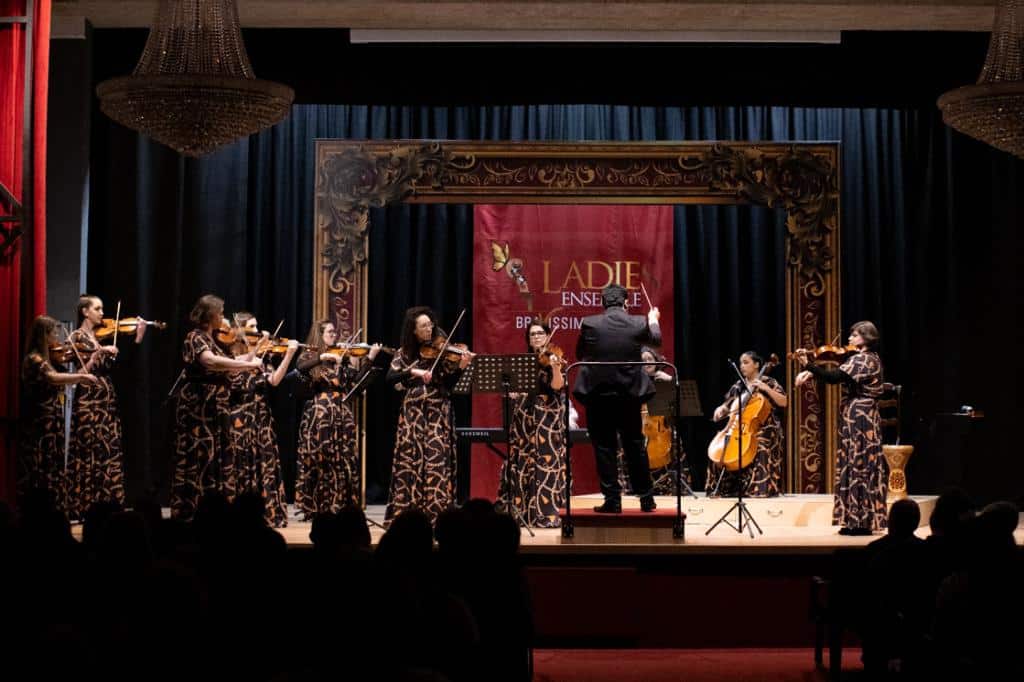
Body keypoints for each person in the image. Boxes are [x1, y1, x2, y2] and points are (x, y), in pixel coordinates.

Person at [171, 295, 262, 521]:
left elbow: (230, 363)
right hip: (200, 405)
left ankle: (218, 510)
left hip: (216, 406)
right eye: (220, 313)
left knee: (217, 455)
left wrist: (254, 353)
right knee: (201, 455)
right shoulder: (195, 337)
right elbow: (210, 361)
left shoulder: (213, 340)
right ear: (210, 314)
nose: (223, 317)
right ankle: (194, 509)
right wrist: (248, 364)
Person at [573, 283, 661, 513]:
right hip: (629, 395)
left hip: (598, 395)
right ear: (626, 303)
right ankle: (646, 499)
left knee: (604, 447)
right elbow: (657, 340)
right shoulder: (638, 322)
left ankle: (612, 500)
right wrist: (653, 318)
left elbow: (580, 354)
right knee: (635, 446)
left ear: (603, 303)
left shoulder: (590, 323)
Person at [796, 320, 887, 535]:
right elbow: (838, 371)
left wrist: (808, 364)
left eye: (854, 335)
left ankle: (861, 522)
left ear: (865, 338)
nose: (849, 338)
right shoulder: (862, 359)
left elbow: (834, 377)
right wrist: (811, 370)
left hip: (861, 418)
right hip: (856, 416)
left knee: (860, 464)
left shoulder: (864, 359)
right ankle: (853, 520)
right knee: (853, 463)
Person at [385, 306, 473, 524]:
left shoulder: (442, 352)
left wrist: (461, 366)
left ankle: (437, 515)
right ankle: (407, 515)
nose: (429, 328)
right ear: (413, 330)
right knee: (411, 460)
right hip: (413, 415)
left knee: (436, 461)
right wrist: (413, 371)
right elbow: (390, 378)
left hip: (438, 413)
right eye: (423, 326)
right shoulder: (404, 354)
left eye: (430, 324)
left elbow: (450, 385)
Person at [64, 295, 147, 520]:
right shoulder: (77, 337)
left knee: (107, 451)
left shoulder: (99, 336)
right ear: (85, 312)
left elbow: (118, 368)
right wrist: (99, 353)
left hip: (106, 400)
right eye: (98, 309)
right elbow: (81, 372)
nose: (102, 313)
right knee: (90, 449)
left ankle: (107, 505)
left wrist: (137, 337)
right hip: (88, 400)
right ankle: (85, 506)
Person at [294, 319, 380, 518]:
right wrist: (321, 357)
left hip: (342, 414)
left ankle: (340, 503)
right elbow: (300, 368)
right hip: (319, 414)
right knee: (319, 458)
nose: (335, 335)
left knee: (342, 460)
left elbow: (357, 385)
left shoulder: (342, 357)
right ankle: (316, 506)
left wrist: (369, 359)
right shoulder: (310, 355)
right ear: (320, 334)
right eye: (330, 332)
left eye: (335, 332)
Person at [222, 312, 298, 527]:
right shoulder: (230, 355)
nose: (257, 332)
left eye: (257, 327)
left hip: (261, 418)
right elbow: (231, 376)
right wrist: (254, 353)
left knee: (263, 464)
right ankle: (238, 515)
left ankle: (264, 513)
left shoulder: (262, 357)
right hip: (239, 419)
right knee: (240, 464)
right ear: (241, 331)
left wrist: (289, 355)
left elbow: (274, 381)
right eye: (252, 327)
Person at [17, 315, 99, 512]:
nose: (57, 337)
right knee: (41, 465)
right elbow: (52, 378)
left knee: (52, 464)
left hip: (52, 419)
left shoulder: (48, 358)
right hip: (39, 420)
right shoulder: (35, 359)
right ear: (43, 335)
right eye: (53, 332)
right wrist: (80, 376)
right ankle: (39, 511)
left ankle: (52, 509)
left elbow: (60, 375)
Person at [498, 318, 566, 527]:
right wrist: (512, 393)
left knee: (546, 462)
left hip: (547, 418)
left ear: (547, 335)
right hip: (524, 417)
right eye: (532, 334)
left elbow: (556, 386)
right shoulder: (523, 361)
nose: (536, 337)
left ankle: (547, 514)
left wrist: (555, 368)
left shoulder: (554, 357)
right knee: (524, 461)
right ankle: (523, 512)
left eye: (540, 333)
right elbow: (516, 389)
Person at [707, 350, 786, 497]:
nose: (742, 366)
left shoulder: (769, 382)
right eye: (741, 363)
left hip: (765, 429)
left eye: (746, 362)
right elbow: (728, 404)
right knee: (719, 451)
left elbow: (784, 402)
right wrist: (722, 408)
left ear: (756, 365)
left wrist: (766, 389)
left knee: (761, 447)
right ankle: (724, 490)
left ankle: (759, 490)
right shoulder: (739, 386)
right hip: (739, 428)